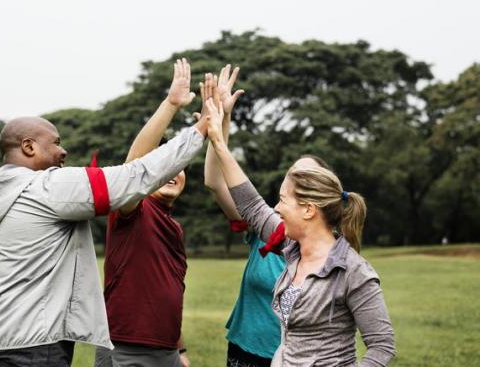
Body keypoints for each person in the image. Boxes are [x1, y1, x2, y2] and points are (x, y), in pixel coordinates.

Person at [0, 68, 211, 366]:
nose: (63, 151)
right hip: (35, 351)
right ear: (29, 146)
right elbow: (135, 176)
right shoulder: (51, 186)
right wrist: (201, 127)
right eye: (56, 142)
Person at [204, 97, 396, 366]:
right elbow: (251, 204)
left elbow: (382, 345)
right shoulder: (290, 247)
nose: (276, 208)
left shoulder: (353, 272)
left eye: (283, 200)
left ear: (308, 210)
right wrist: (218, 140)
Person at [203, 69, 328, 367]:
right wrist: (223, 118)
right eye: (294, 174)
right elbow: (215, 182)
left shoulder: (332, 249)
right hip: (246, 351)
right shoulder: (265, 224)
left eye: (308, 178)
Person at [94, 59, 196, 367]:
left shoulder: (172, 225)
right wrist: (171, 104)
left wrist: (178, 349)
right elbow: (132, 169)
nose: (171, 173)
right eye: (161, 167)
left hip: (166, 349)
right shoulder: (133, 209)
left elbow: (166, 289)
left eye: (177, 167)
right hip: (127, 348)